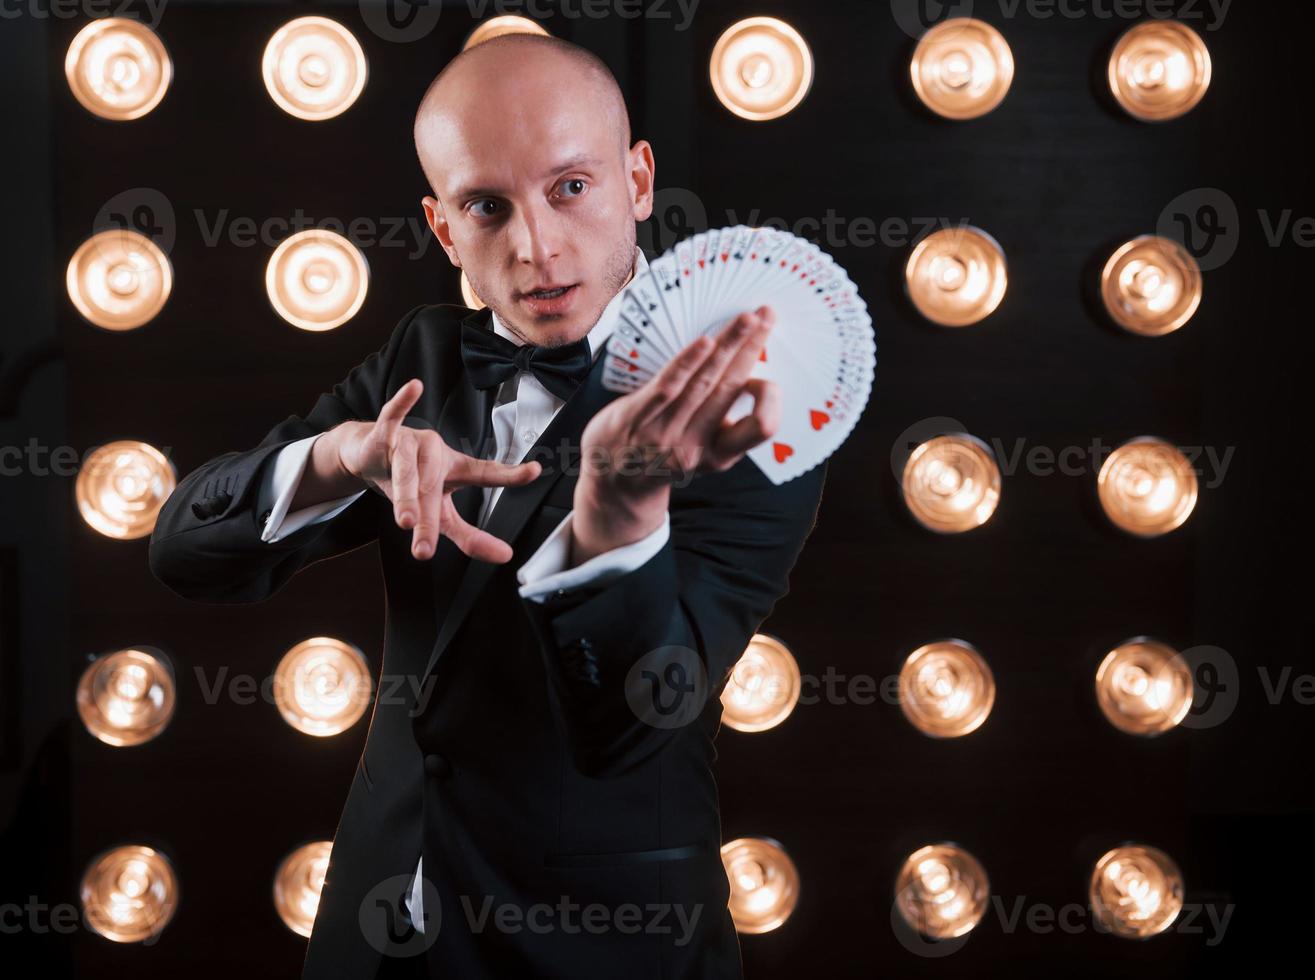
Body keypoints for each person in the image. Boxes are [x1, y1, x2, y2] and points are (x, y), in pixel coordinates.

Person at [148, 32, 827, 980]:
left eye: (571, 187)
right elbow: (182, 550)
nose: (536, 245)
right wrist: (343, 456)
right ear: (442, 229)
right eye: (486, 205)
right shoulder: (423, 356)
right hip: (376, 925)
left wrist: (619, 515)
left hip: (602, 944)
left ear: (638, 181)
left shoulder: (745, 407)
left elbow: (633, 722)